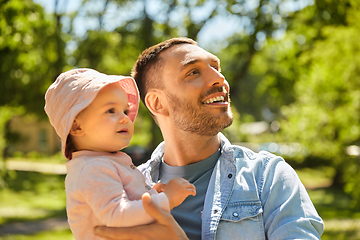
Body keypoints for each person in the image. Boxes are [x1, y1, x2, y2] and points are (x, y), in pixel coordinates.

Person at [94, 37, 324, 240]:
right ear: (157, 103)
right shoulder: (125, 191)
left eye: (216, 67)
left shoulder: (268, 177)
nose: (220, 79)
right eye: (193, 72)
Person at [44, 68, 196, 240]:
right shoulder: (92, 168)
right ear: (77, 127)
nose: (126, 118)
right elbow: (118, 215)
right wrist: (167, 199)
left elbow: (124, 201)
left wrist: (150, 193)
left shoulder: (104, 162)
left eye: (125, 111)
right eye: (111, 111)